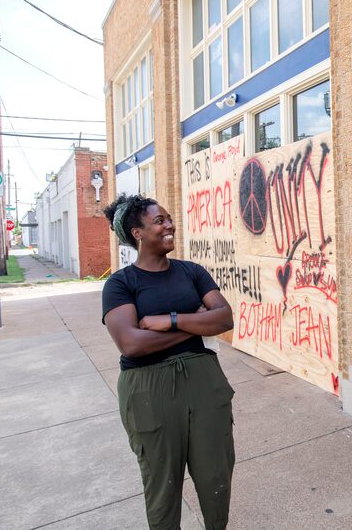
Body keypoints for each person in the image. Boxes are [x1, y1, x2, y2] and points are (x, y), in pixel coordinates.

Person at [102, 194, 236, 530]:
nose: (169, 225)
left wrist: (171, 320)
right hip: (148, 389)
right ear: (137, 232)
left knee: (215, 473)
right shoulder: (121, 283)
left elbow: (225, 319)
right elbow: (131, 343)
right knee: (162, 483)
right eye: (159, 220)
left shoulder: (191, 272)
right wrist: (195, 323)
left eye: (169, 219)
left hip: (204, 380)